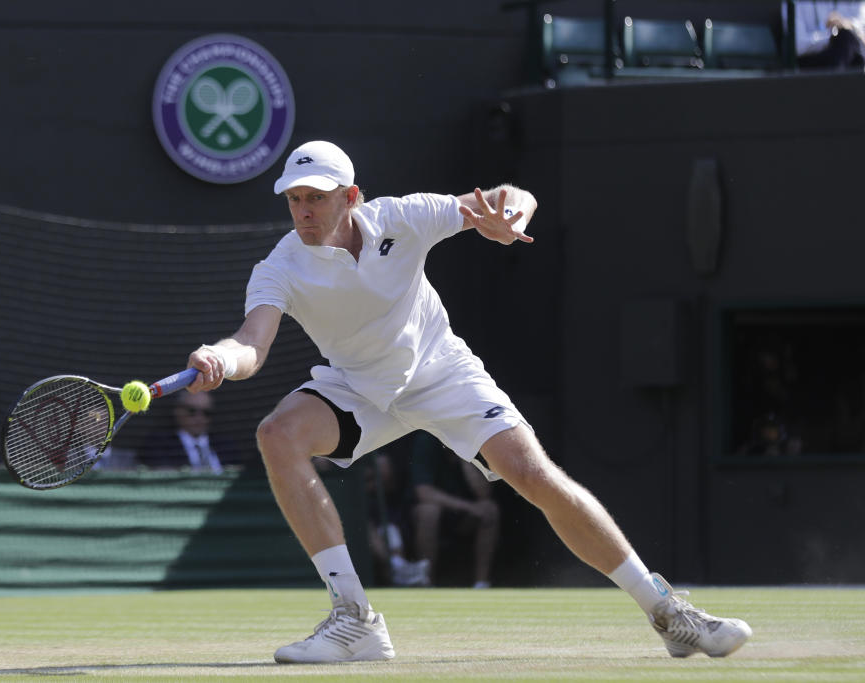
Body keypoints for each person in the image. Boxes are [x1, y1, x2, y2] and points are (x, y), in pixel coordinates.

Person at [185, 140, 752, 663]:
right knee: (277, 434)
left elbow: (509, 197)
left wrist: (511, 216)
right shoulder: (280, 267)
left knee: (532, 472)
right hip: (359, 385)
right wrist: (219, 356)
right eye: (295, 199)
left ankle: (667, 611)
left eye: (316, 198)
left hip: (440, 370)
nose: (304, 210)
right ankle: (353, 619)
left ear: (351, 197)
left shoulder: (402, 217)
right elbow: (250, 345)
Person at [410, 431, 498, 588]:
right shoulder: (427, 441)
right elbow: (424, 493)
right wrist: (468, 507)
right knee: (429, 512)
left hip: (464, 518)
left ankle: (481, 582)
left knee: (489, 509)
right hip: (434, 513)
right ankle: (426, 582)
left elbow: (484, 493)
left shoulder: (474, 438)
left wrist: (464, 457)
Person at [366, 450, 430, 587]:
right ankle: (400, 570)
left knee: (392, 531)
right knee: (384, 531)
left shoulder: (396, 490)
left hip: (392, 527)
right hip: (367, 534)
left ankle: (402, 570)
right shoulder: (362, 492)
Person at [137, 390, 239, 471]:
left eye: (206, 413)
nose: (200, 418)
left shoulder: (225, 445)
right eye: (192, 411)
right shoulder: (159, 444)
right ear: (177, 411)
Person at [789, 1, 865, 68]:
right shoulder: (796, 3)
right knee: (845, 38)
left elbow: (861, 32)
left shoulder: (856, 3)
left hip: (848, 55)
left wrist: (849, 26)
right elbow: (797, 45)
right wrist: (833, 35)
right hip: (812, 61)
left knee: (848, 42)